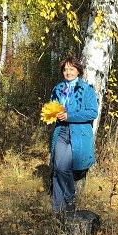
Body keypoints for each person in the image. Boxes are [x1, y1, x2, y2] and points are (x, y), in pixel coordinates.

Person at [49, 56, 98, 213]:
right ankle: (57, 209)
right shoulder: (57, 89)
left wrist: (70, 116)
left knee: (63, 168)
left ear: (78, 71)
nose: (68, 72)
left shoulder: (87, 89)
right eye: (65, 69)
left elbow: (92, 112)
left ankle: (70, 198)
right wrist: (51, 114)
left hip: (79, 135)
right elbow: (51, 107)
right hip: (61, 132)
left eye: (71, 69)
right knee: (57, 169)